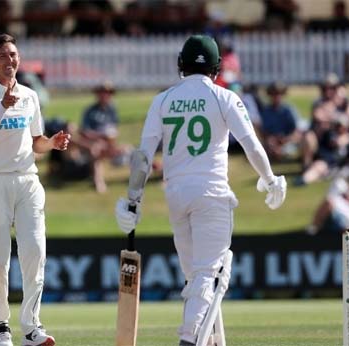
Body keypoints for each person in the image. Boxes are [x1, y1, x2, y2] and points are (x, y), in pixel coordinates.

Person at [114, 35, 287, 346]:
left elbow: (143, 156)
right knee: (208, 275)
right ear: (217, 67)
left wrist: (133, 200)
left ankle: (209, 341)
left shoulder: (163, 100)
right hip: (211, 194)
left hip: (176, 194)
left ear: (181, 63)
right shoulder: (225, 98)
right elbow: (251, 144)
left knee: (196, 279)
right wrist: (271, 180)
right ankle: (189, 340)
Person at [0, 34, 70, 346]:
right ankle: (1, 328)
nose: (9, 61)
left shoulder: (30, 96)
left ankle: (32, 327)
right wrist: (1, 107)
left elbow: (36, 141)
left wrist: (51, 144)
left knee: (35, 253)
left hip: (28, 179)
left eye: (13, 55)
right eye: (2, 56)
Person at [79, 81, 130, 193]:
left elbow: (115, 130)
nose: (105, 95)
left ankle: (135, 181)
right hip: (92, 143)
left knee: (127, 149)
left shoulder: (112, 110)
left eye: (108, 93)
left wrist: (110, 137)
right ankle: (98, 182)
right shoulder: (90, 111)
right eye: (102, 92)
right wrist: (101, 136)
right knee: (96, 150)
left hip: (109, 143)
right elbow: (84, 131)